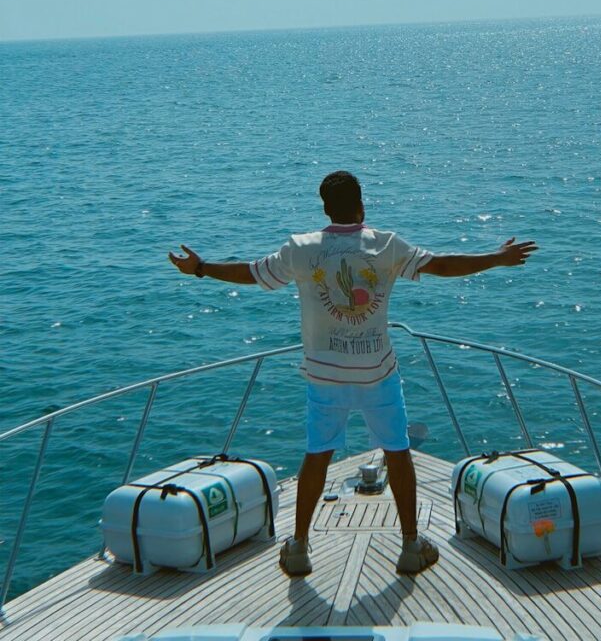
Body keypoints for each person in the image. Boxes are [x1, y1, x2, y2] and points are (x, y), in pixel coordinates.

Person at [169, 170, 537, 577]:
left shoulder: (301, 248)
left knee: (317, 455)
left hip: (324, 375)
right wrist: (497, 259)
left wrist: (200, 268)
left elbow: (251, 273)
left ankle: (299, 548)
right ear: (362, 204)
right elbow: (443, 265)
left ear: (325, 208)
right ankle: (411, 546)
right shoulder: (386, 245)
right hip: (377, 371)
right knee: (397, 452)